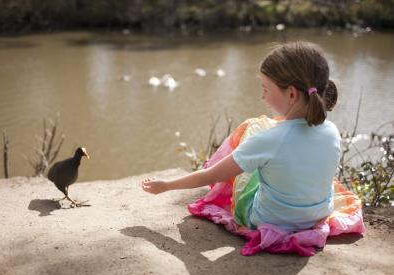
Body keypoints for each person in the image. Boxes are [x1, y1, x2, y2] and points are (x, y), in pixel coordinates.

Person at [142, 41, 341, 232]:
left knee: (253, 127)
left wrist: (166, 186)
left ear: (291, 94)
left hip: (267, 221)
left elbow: (212, 175)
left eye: (265, 89)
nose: (262, 97)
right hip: (317, 217)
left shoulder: (268, 139)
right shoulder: (332, 130)